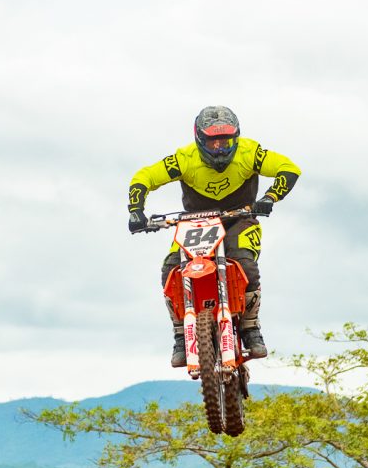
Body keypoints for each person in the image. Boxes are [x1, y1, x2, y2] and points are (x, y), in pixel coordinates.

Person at [126, 105, 301, 366]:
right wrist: (136, 211)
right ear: (199, 139)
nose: (220, 148)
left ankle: (250, 327)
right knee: (171, 269)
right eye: (213, 142)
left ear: (236, 138)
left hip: (240, 219)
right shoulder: (184, 159)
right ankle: (180, 334)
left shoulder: (250, 152)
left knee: (244, 263)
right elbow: (145, 177)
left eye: (225, 141)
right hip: (196, 224)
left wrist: (269, 197)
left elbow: (289, 168)